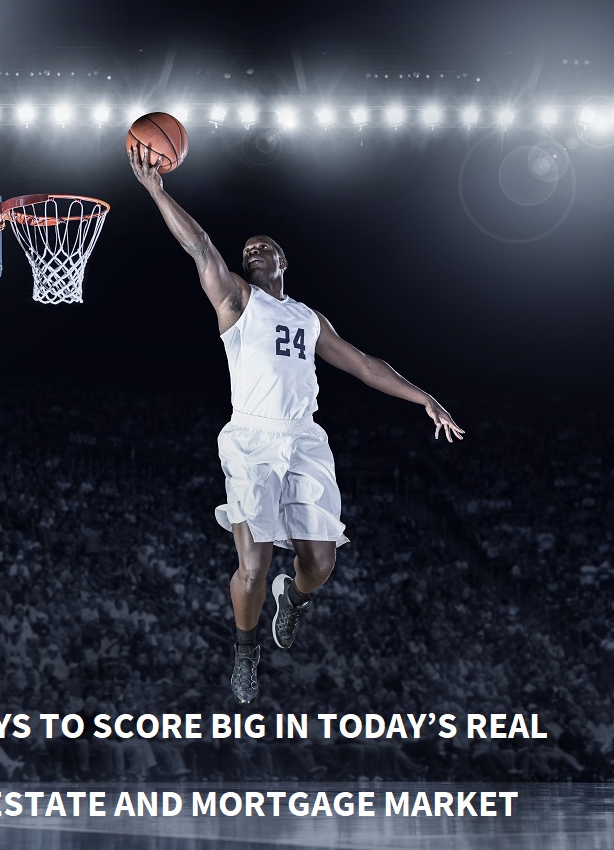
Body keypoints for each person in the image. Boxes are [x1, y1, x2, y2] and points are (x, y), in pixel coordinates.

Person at [129, 145, 464, 705]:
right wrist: (158, 193)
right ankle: (246, 649)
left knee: (321, 563)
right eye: (248, 248)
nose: (253, 250)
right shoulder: (237, 301)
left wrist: (421, 396)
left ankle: (297, 599)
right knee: (252, 564)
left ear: (285, 263)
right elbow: (200, 248)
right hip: (252, 439)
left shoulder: (310, 318)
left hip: (305, 438)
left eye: (265, 247)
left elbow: (361, 363)